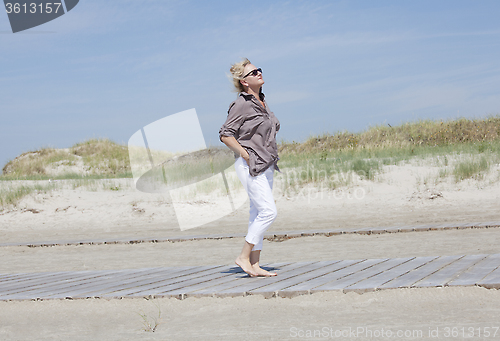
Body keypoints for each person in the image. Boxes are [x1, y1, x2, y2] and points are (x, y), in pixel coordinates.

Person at [219, 58, 280, 277]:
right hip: (250, 165)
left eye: (259, 70)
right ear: (244, 82)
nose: (259, 73)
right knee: (268, 212)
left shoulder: (261, 101)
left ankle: (254, 264)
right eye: (254, 73)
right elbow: (226, 134)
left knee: (257, 214)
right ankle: (243, 257)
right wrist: (246, 155)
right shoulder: (242, 103)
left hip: (267, 164)